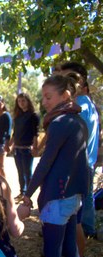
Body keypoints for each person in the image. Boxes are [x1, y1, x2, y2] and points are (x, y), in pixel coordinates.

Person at [21, 75, 89, 257]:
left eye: (48, 97)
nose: (44, 102)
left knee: (53, 256)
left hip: (57, 197)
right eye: (43, 97)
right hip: (73, 196)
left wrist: (28, 195)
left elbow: (45, 163)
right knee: (71, 249)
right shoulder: (79, 122)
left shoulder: (59, 123)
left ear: (65, 95)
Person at [60, 62, 99, 239]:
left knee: (76, 207)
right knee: (87, 198)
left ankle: (80, 234)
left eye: (69, 78)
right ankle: (88, 229)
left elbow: (74, 140)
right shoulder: (88, 104)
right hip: (87, 161)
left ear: (80, 81)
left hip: (79, 164)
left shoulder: (80, 106)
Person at [6, 93, 39, 203]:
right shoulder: (17, 117)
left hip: (27, 148)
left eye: (23, 101)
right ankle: (22, 193)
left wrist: (35, 147)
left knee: (28, 173)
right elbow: (15, 134)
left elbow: (35, 133)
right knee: (20, 172)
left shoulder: (33, 116)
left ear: (28, 101)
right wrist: (9, 144)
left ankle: (29, 197)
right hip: (17, 149)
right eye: (19, 101)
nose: (21, 103)